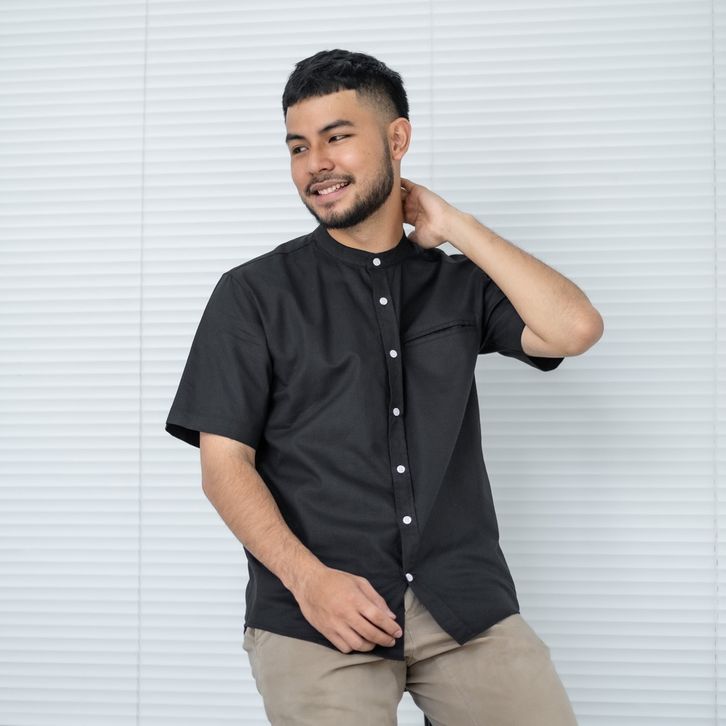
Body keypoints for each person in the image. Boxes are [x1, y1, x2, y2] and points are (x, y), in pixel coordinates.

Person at [165, 48, 603, 726]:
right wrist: (309, 581)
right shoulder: (252, 294)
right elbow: (224, 468)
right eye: (298, 147)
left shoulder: (456, 283)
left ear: (396, 139)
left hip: (462, 603)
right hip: (317, 611)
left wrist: (453, 225)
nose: (316, 164)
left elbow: (574, 328)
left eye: (337, 137)